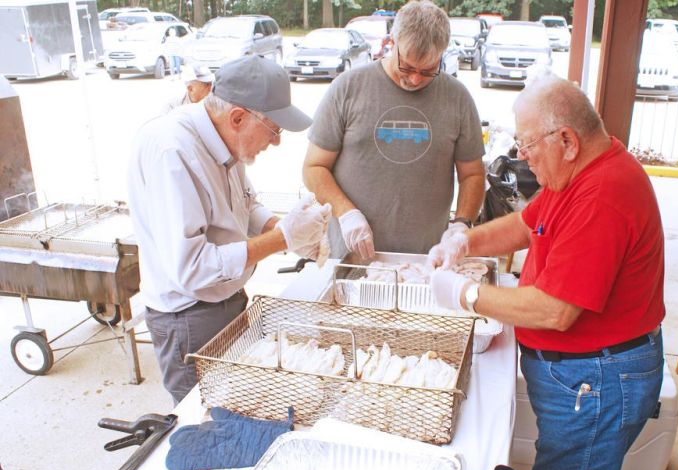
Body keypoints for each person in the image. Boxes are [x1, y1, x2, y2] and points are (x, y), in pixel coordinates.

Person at [428, 71, 665, 470]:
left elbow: (556, 309)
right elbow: (527, 223)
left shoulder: (604, 193)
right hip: (581, 374)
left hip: (595, 381)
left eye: (529, 144)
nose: (524, 156)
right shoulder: (576, 172)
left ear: (567, 140)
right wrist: (465, 240)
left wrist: (468, 293)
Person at [128, 55, 331, 404]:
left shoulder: (224, 141)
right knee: (210, 420)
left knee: (245, 403)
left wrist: (288, 230)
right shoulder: (173, 151)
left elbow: (246, 204)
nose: (276, 141)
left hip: (227, 301)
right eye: (274, 129)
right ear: (238, 117)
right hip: (188, 318)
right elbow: (192, 267)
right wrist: (282, 238)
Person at [303, 0, 485, 260]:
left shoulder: (457, 98)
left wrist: (462, 224)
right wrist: (347, 213)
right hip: (351, 256)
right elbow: (313, 167)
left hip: (426, 259)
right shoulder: (348, 88)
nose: (415, 79)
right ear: (391, 42)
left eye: (429, 70)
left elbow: (473, 174)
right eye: (407, 67)